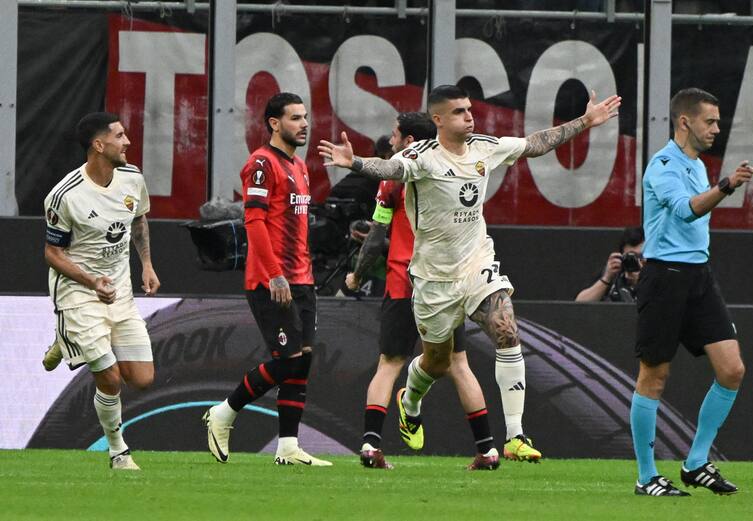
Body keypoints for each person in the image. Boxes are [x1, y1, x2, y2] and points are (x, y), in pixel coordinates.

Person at [320, 85, 621, 467]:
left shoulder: (484, 147)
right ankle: (410, 399)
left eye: (469, 109)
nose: (469, 116)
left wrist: (585, 121)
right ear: (438, 119)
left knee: (505, 327)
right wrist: (356, 163)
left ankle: (515, 436)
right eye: (459, 111)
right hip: (432, 279)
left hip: (476, 264)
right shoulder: (421, 156)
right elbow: (391, 169)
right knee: (437, 362)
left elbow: (535, 144)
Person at [346, 112, 505, 470]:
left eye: (394, 135)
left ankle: (371, 446)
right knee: (458, 364)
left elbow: (376, 236)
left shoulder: (393, 180)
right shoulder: (455, 171)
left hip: (404, 283)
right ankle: (487, 450)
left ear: (408, 140)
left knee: (389, 364)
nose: (390, 141)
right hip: (446, 284)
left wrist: (356, 275)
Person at [630, 87, 753, 496]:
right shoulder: (663, 165)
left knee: (732, 369)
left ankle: (696, 462)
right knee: (654, 376)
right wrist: (727, 185)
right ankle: (646, 476)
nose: (716, 128)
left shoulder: (697, 165)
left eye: (717, 121)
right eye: (710, 121)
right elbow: (686, 210)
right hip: (664, 277)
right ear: (685, 122)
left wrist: (720, 185)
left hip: (698, 276)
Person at [202, 92, 331, 467]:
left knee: (302, 363)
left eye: (305, 117)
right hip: (270, 281)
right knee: (288, 361)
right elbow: (254, 221)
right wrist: (276, 275)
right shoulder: (261, 163)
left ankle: (288, 447)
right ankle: (224, 412)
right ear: (274, 123)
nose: (304, 124)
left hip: (302, 279)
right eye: (295, 118)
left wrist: (304, 273)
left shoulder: (300, 166)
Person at [43, 112, 161, 470]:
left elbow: (138, 219)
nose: (128, 142)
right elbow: (52, 253)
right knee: (109, 377)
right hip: (78, 294)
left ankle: (65, 339)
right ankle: (118, 451)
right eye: (120, 136)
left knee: (142, 378)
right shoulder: (64, 195)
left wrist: (147, 265)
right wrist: (92, 282)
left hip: (119, 291)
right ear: (98, 144)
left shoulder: (132, 177)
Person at [575, 226, 644, 302]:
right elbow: (580, 303)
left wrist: (642, 281)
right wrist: (606, 278)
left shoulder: (652, 277)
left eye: (640, 257)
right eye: (630, 256)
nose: (635, 261)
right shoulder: (614, 275)